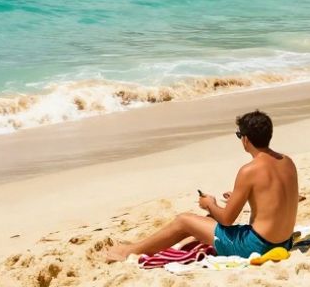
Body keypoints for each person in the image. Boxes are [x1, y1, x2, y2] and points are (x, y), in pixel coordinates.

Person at [105, 111, 298, 261]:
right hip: (283, 241)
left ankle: (129, 252)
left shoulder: (249, 170)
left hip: (258, 246)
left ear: (246, 139)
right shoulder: (287, 162)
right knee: (203, 223)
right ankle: (141, 247)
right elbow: (275, 199)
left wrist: (210, 203)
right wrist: (245, 197)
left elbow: (226, 220)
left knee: (184, 221)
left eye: (239, 135)